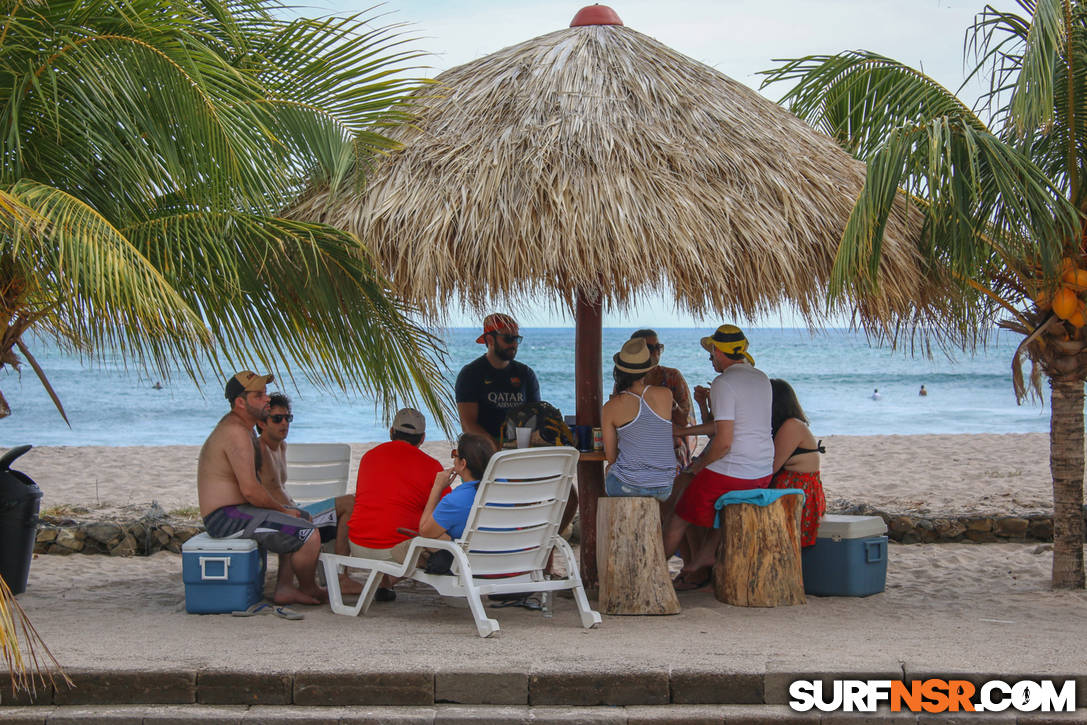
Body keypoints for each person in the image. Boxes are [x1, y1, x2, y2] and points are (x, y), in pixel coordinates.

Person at [197, 371, 324, 606]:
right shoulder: (235, 433)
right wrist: (284, 511)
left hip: (236, 511)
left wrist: (285, 511)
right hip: (225, 518)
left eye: (265, 394)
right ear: (240, 402)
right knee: (307, 534)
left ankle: (285, 587)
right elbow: (251, 491)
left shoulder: (242, 429)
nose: (266, 399)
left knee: (302, 518)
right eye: (259, 395)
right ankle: (309, 588)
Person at [663, 325, 774, 590]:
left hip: (734, 472)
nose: (710, 358)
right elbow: (728, 426)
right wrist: (685, 430)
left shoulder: (724, 383)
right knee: (694, 492)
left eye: (711, 352)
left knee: (679, 512)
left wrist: (697, 466)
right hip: (762, 471)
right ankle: (706, 554)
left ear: (718, 351)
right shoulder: (761, 378)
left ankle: (654, 568)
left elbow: (723, 443)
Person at [256, 393, 360, 595]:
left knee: (352, 504)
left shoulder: (281, 446)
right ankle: (340, 577)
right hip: (280, 516)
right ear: (261, 423)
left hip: (293, 510)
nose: (284, 423)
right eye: (277, 419)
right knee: (350, 503)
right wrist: (292, 512)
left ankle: (338, 574)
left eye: (288, 418)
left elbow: (279, 488)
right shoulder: (259, 449)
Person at [346, 408, 445, 600]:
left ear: (391, 432)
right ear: (422, 438)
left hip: (357, 546)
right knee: (438, 536)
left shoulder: (368, 457)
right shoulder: (431, 466)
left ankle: (384, 583)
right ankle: (388, 581)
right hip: (396, 553)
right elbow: (442, 513)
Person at [601, 337, 676, 501]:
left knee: (610, 470)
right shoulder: (666, 395)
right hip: (665, 486)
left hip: (627, 486)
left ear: (618, 371)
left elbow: (611, 457)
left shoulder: (610, 407)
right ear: (648, 369)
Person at [455, 314, 540, 446]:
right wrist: (498, 449)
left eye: (516, 339)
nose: (514, 344)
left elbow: (536, 416)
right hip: (484, 448)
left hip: (519, 446)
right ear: (490, 340)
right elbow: (468, 425)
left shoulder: (526, 374)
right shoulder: (470, 374)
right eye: (508, 339)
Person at [768, 379, 826, 548]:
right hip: (796, 491)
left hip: (798, 494)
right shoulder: (787, 425)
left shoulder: (791, 426)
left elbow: (772, 467)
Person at [629, 329, 696, 467]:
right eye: (649, 347)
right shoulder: (626, 381)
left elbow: (685, 420)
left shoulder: (672, 376)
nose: (655, 351)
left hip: (670, 445)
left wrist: (672, 405)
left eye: (658, 347)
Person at [419, 433, 497, 540]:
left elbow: (424, 531)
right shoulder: (502, 488)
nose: (454, 460)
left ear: (463, 463)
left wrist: (437, 487)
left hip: (469, 555)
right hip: (509, 553)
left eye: (455, 455)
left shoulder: (454, 501)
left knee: (400, 550)